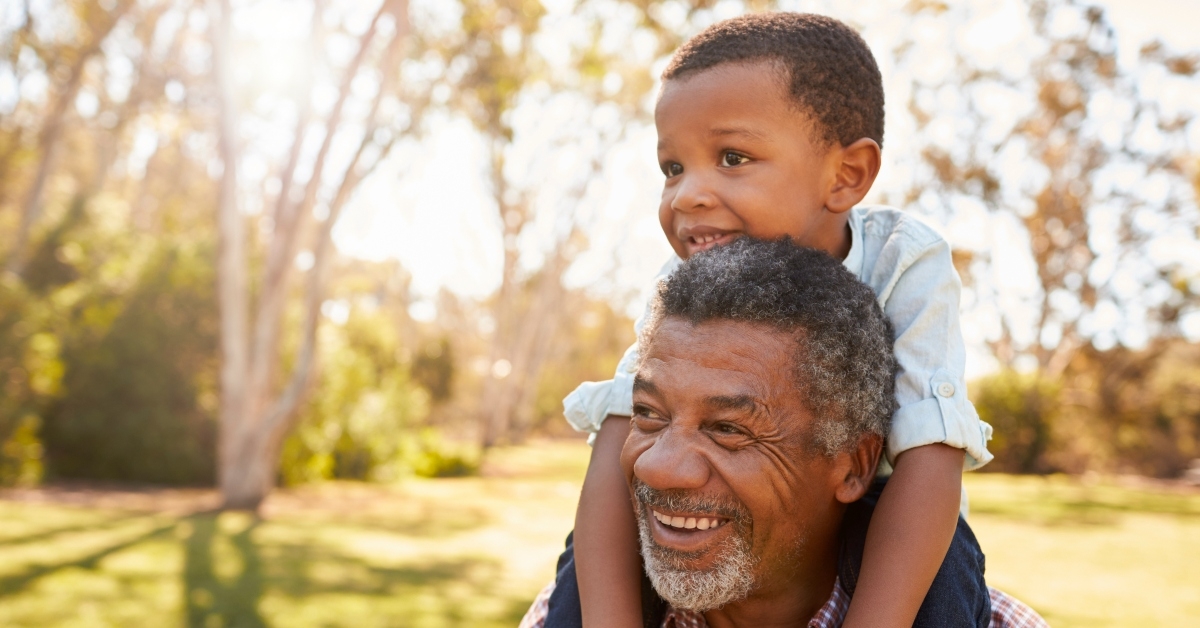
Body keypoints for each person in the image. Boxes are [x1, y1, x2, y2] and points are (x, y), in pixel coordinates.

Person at [548, 12, 997, 628]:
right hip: (723, 537)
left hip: (885, 526)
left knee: (947, 557)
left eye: (732, 157)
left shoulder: (902, 258)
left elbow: (930, 451)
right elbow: (620, 433)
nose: (686, 196)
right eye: (672, 168)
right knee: (593, 547)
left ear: (846, 176)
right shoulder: (679, 286)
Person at [524, 239, 1044, 628]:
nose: (656, 466)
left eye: (728, 428)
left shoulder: (992, 621)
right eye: (649, 415)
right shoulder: (562, 613)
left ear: (855, 465)